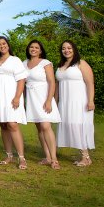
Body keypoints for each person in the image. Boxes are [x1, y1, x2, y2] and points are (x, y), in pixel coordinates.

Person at [0, 36, 28, 169]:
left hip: (11, 96)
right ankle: (9, 155)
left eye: (4, 43)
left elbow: (21, 79)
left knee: (12, 124)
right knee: (3, 125)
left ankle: (21, 158)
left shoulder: (15, 60)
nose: (2, 46)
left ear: (8, 45)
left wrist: (17, 97)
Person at [55, 40, 95, 166]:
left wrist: (90, 100)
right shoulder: (60, 65)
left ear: (74, 49)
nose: (66, 50)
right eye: (63, 48)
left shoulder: (81, 63)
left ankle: (86, 157)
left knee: (78, 126)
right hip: (65, 103)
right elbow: (57, 86)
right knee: (70, 126)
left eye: (69, 48)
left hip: (79, 102)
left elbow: (90, 83)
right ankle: (83, 156)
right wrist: (54, 101)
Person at [24, 40, 61, 170]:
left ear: (40, 50)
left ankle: (54, 159)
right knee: (39, 128)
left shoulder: (45, 63)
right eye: (31, 47)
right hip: (31, 98)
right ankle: (47, 157)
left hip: (43, 97)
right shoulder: (23, 63)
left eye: (36, 47)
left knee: (46, 126)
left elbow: (52, 82)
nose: (33, 49)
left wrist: (49, 100)